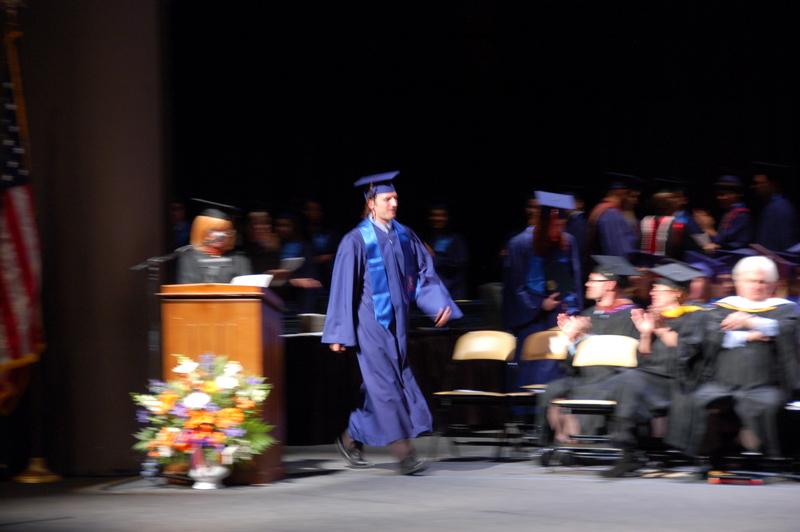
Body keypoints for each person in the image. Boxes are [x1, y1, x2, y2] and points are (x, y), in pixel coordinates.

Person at [322, 171, 463, 475]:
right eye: (387, 199)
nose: (394, 203)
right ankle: (404, 453)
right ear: (371, 203)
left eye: (396, 198)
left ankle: (349, 440)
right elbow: (343, 288)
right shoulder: (355, 240)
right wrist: (338, 332)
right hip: (369, 325)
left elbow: (423, 274)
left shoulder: (404, 235)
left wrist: (438, 303)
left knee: (382, 383)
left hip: (398, 325)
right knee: (386, 386)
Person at [688, 255, 798, 472]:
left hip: (766, 384)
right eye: (750, 281)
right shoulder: (721, 308)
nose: (757, 286)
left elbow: (788, 331)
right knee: (702, 399)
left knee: (766, 403)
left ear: (772, 284)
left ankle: (772, 459)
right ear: (738, 282)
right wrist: (752, 335)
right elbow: (713, 337)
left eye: (762, 281)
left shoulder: (784, 309)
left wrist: (750, 321)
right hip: (723, 383)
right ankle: (709, 458)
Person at [599, 262, 709, 477]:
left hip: (678, 379)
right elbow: (644, 353)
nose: (652, 293)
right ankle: (630, 450)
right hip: (651, 375)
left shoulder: (696, 315)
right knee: (623, 380)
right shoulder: (653, 316)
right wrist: (645, 333)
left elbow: (686, 349)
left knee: (629, 380)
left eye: (659, 290)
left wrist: (659, 329)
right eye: (653, 290)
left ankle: (629, 453)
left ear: (676, 293)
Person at [536, 255, 640, 445]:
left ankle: (579, 445)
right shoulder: (586, 315)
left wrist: (587, 338)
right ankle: (559, 443)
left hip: (613, 378)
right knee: (553, 389)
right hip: (584, 377)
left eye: (593, 280)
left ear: (610, 285)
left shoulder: (633, 316)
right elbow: (570, 366)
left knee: (588, 392)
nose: (586, 284)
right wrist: (572, 339)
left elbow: (632, 357)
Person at [502, 191, 583, 391]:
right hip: (531, 317)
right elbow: (514, 286)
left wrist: (573, 311)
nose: (560, 230)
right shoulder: (520, 243)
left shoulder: (568, 242)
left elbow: (575, 279)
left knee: (559, 364)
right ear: (544, 222)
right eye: (556, 225)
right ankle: (526, 407)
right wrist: (540, 304)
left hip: (561, 313)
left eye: (563, 225)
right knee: (531, 367)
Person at [176, 207, 252, 284]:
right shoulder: (189, 258)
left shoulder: (239, 260)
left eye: (225, 231)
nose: (221, 235)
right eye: (214, 230)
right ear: (202, 232)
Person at [693, 174, 753, 252]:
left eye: (723, 194)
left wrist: (709, 229)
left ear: (737, 194)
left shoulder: (742, 215)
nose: (719, 198)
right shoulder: (729, 213)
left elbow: (731, 242)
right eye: (718, 194)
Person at [424, 203, 469, 301]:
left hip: (453, 295)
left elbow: (458, 266)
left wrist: (433, 256)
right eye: (433, 215)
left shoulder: (456, 240)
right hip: (433, 295)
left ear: (447, 217)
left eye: (440, 215)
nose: (436, 219)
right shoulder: (431, 240)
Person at [750, 161, 799, 252]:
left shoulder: (780, 207)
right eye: (756, 183)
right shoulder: (773, 205)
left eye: (762, 183)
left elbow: (785, 240)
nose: (757, 187)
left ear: (773, 184)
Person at [586, 177, 638, 260]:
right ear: (620, 192)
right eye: (629, 195)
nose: (635, 201)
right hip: (614, 265)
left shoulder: (599, 209)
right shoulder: (612, 213)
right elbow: (618, 251)